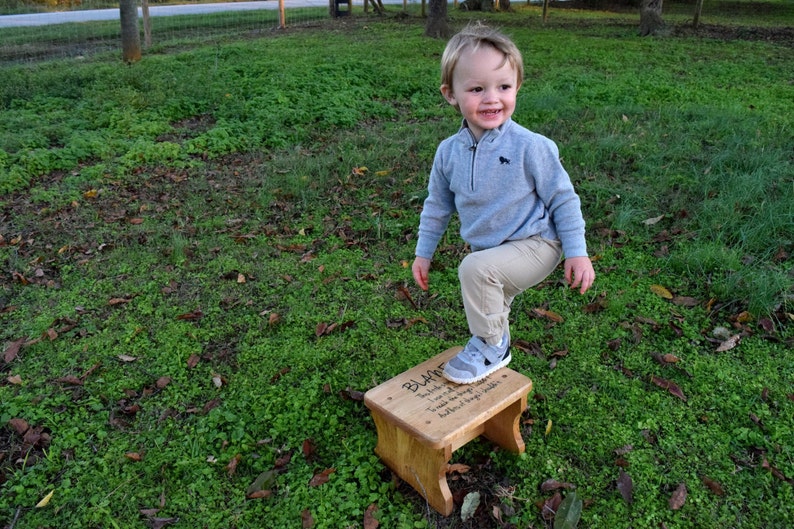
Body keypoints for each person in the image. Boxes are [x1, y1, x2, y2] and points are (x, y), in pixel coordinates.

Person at [412, 24, 595, 385]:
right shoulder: (448, 153)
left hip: (538, 244)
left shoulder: (531, 146)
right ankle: (493, 339)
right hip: (494, 250)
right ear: (451, 94)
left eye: (504, 87)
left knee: (476, 270)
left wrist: (577, 252)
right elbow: (437, 205)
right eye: (477, 89)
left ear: (518, 88)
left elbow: (563, 199)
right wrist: (423, 252)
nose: (492, 98)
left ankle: (493, 345)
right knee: (486, 284)